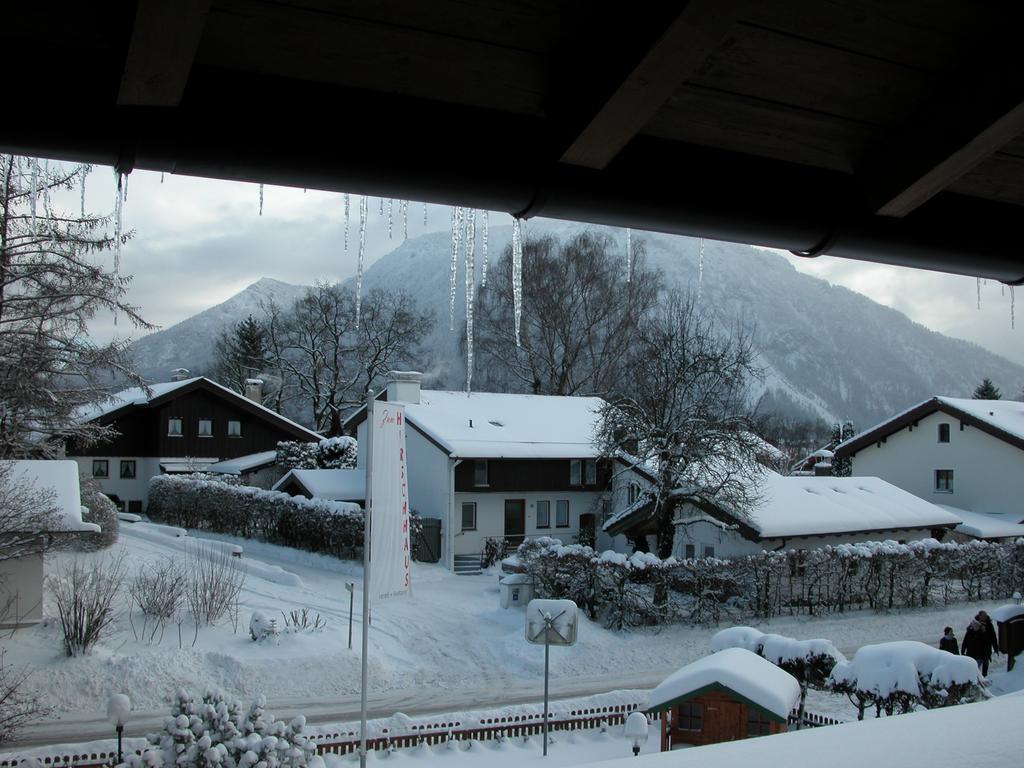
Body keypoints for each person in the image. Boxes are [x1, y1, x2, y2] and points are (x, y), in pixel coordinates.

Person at [962, 611, 1000, 676]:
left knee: (985, 670)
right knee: (975, 670)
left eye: (985, 616)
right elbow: (967, 638)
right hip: (975, 652)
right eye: (983, 616)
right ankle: (976, 681)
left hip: (986, 652)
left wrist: (996, 648)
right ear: (979, 616)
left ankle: (984, 681)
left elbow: (993, 638)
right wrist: (963, 649)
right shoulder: (973, 625)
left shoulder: (989, 625)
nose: (985, 617)